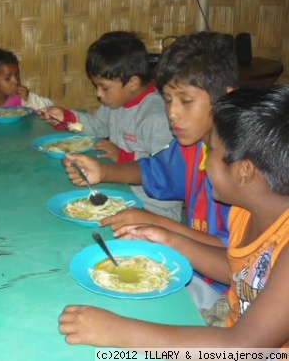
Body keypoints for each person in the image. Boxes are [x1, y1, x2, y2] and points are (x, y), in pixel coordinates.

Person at [59, 85, 289, 348]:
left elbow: (243, 346)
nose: (203, 162)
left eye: (210, 150)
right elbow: (237, 270)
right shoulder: (245, 211)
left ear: (243, 172)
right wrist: (168, 239)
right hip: (231, 327)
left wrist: (118, 331)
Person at [62, 32, 238, 312]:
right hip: (193, 271)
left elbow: (238, 264)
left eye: (186, 101)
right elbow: (152, 170)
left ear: (226, 98)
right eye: (168, 100)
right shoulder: (192, 148)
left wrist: (164, 231)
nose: (172, 113)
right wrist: (104, 172)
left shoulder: (243, 171)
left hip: (227, 296)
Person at [38, 31, 182, 221]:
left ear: (133, 83)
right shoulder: (115, 104)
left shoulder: (156, 116)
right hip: (120, 194)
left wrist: (123, 156)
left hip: (155, 210)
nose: (98, 94)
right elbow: (97, 126)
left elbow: (166, 171)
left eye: (104, 88)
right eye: (96, 86)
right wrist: (66, 117)